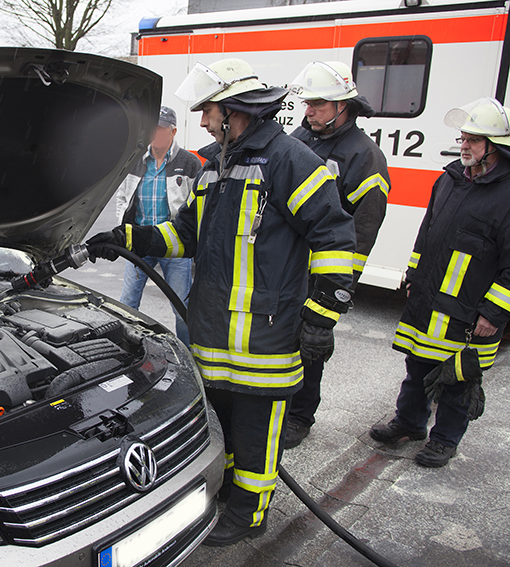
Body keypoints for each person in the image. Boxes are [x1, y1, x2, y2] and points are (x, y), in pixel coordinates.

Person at [88, 58, 355, 545]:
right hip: (216, 341)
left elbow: (334, 236)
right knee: (225, 431)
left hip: (264, 342)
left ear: (234, 111)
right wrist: (127, 238)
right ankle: (228, 495)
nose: (205, 121)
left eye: (209, 111)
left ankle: (250, 514)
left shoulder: (287, 160)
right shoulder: (218, 165)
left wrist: (321, 315)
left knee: (256, 438)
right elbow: (185, 233)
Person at [370, 97, 510, 468]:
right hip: (429, 300)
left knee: (458, 378)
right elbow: (426, 234)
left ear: (494, 146)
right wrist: (413, 275)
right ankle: (409, 423)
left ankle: (444, 440)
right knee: (417, 367)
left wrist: (494, 312)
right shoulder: (448, 179)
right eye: (462, 138)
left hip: (470, 312)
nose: (463, 145)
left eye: (472, 140)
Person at [283, 61, 390, 449]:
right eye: (308, 103)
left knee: (311, 345)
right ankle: (280, 407)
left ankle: (300, 416)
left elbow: (363, 230)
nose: (309, 111)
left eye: (319, 104)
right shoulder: (300, 139)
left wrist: (335, 293)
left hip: (321, 275)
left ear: (344, 106)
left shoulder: (364, 156)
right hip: (286, 271)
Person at [115, 106, 202, 346]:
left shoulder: (189, 162)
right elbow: (122, 196)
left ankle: (188, 352)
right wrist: (123, 224)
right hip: (140, 241)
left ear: (173, 131)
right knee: (127, 303)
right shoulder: (135, 160)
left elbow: (198, 206)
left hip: (174, 246)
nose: (157, 134)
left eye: (162, 129)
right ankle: (124, 347)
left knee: (181, 307)